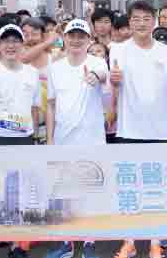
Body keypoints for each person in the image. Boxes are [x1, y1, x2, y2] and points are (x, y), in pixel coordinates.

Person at [110, 1, 167, 258]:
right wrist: (114, 83)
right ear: (129, 21)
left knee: (156, 189)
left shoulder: (165, 53)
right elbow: (113, 90)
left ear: (154, 21)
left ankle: (155, 242)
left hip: (158, 130)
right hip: (128, 129)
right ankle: (129, 241)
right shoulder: (118, 50)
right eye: (136, 18)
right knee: (129, 189)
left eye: (146, 18)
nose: (141, 23)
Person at [44, 19, 111, 258]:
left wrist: (95, 76)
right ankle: (66, 243)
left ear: (89, 40)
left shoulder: (97, 62)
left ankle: (89, 243)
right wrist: (50, 139)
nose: (75, 40)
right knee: (63, 193)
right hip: (62, 140)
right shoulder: (55, 67)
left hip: (91, 140)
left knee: (90, 193)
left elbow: (103, 75)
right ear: (64, 38)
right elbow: (51, 105)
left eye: (81, 36)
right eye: (71, 35)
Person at [0, 23, 41, 258]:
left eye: (15, 41)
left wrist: (35, 137)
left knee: (18, 194)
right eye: (6, 41)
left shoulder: (32, 73)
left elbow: (34, 109)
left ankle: (15, 245)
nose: (11, 46)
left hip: (23, 138)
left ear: (22, 45)